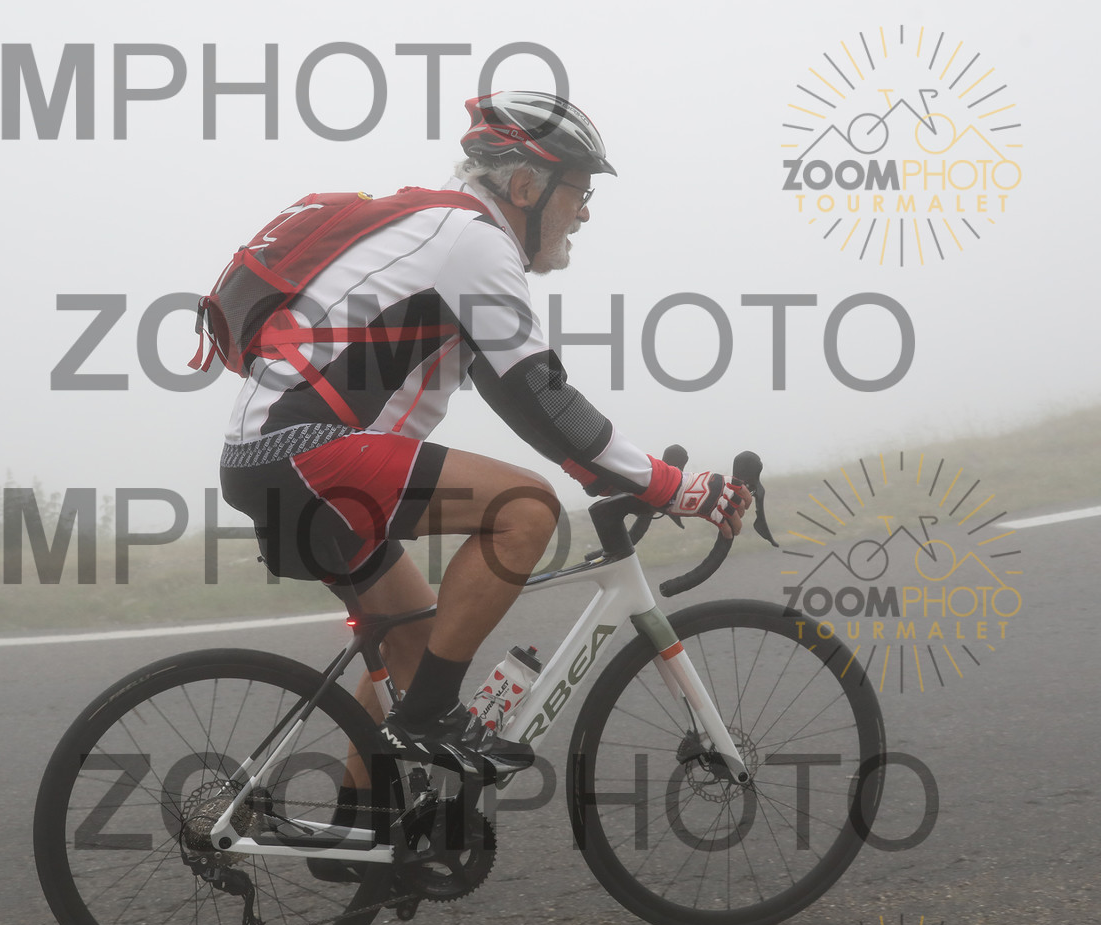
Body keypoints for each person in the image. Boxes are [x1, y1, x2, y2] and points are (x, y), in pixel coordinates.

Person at [215, 91, 749, 789]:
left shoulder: (444, 233)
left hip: (278, 459)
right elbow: (543, 398)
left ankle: (361, 823)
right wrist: (670, 485)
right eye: (579, 192)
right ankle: (427, 720)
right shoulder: (473, 241)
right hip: (303, 453)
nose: (585, 213)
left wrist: (626, 474)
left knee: (413, 640)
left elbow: (519, 398)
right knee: (526, 509)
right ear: (526, 187)